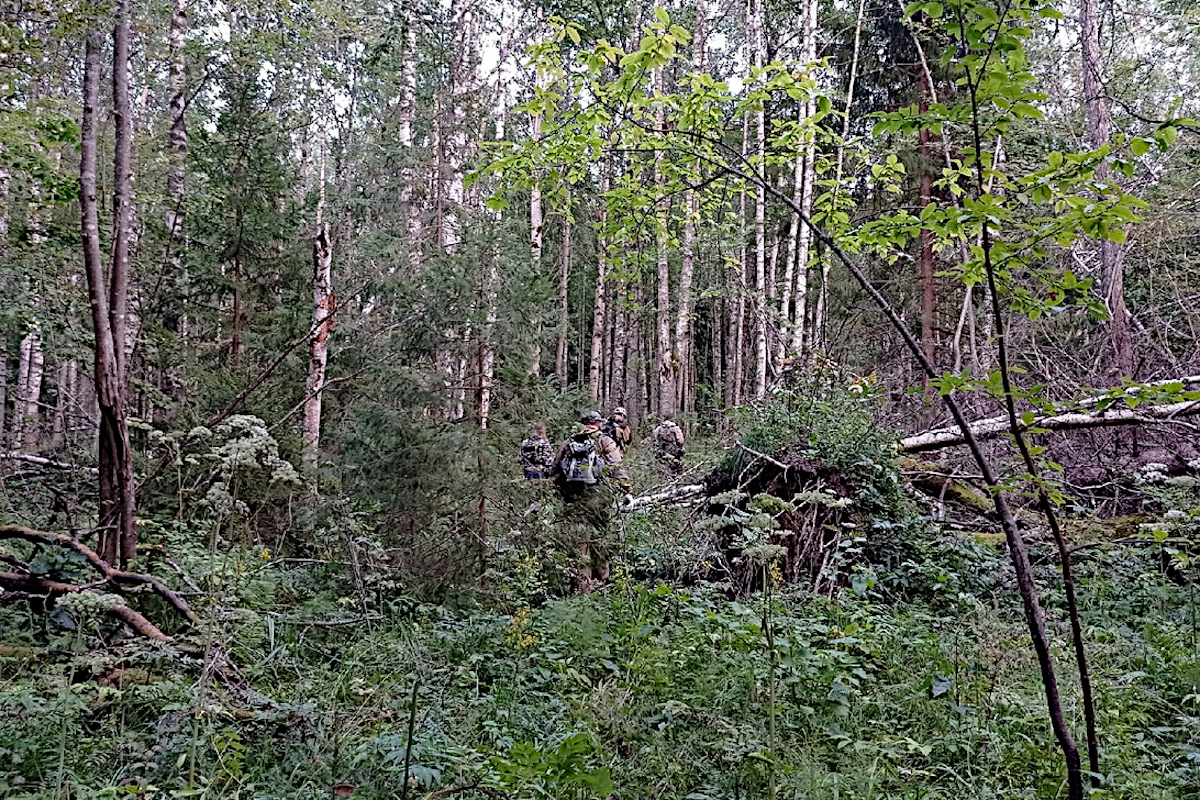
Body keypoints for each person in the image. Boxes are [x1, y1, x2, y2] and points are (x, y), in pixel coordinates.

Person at [551, 410, 631, 592]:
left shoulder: (569, 442)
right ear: (598, 423)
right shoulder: (603, 440)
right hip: (598, 498)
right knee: (600, 538)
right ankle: (602, 582)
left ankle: (582, 585)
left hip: (573, 499)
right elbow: (617, 466)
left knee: (580, 543)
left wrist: (562, 493)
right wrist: (627, 489)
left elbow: (555, 470)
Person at [652, 413, 685, 477]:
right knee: (675, 464)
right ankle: (676, 478)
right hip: (673, 449)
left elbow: (655, 439)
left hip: (662, 449)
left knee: (664, 465)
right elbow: (680, 440)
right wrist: (680, 447)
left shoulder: (659, 428)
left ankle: (665, 478)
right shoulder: (675, 428)